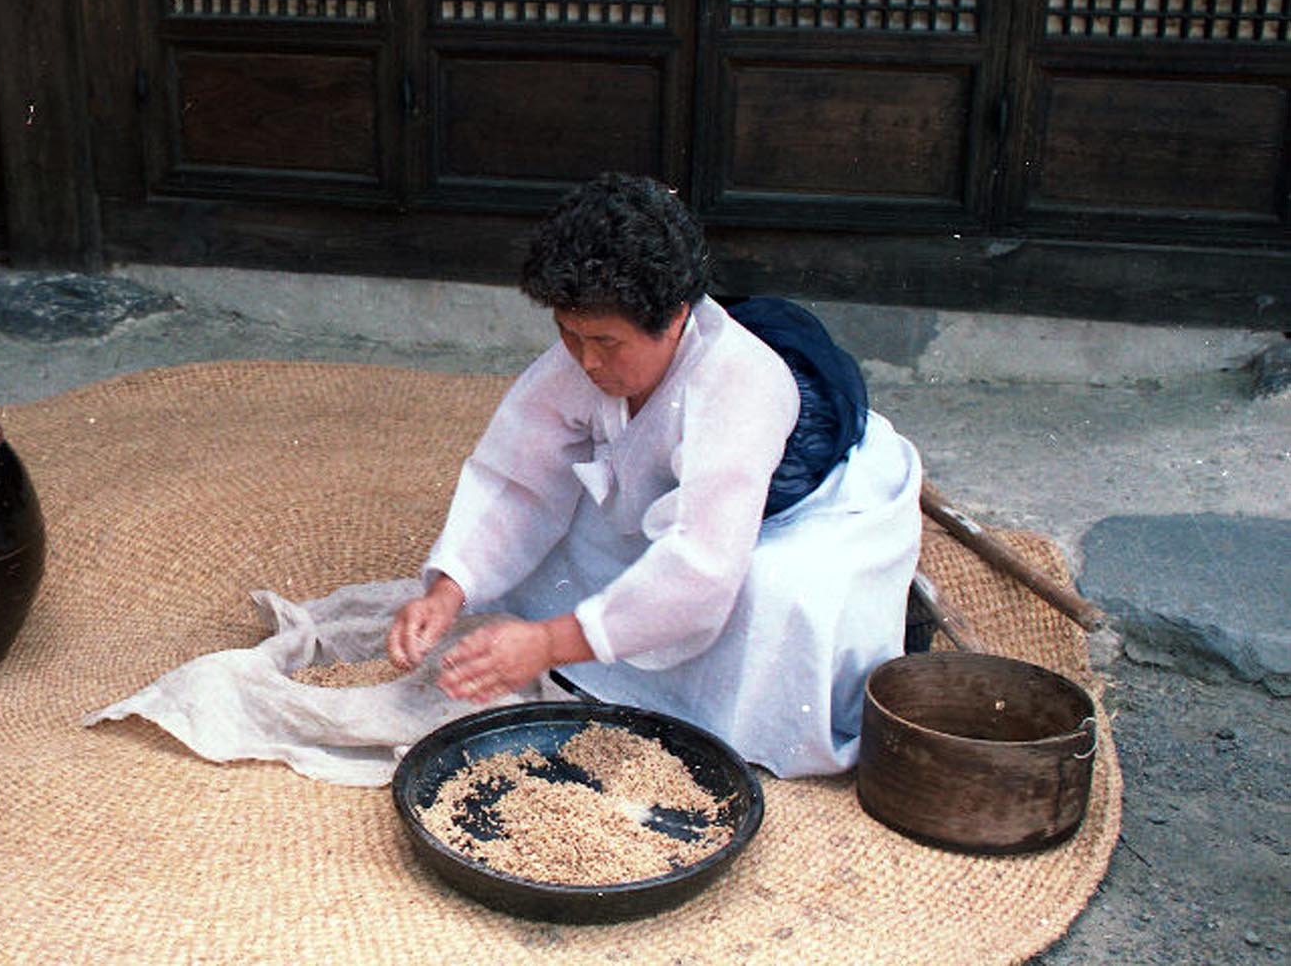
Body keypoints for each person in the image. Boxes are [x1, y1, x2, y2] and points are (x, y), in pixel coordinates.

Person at [386, 173, 922, 777]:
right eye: (568, 333)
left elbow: (702, 567)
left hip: (808, 508)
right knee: (571, 541)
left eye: (606, 342)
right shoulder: (585, 356)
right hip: (683, 493)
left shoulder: (740, 381)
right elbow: (517, 478)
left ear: (673, 321)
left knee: (771, 594)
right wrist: (449, 588)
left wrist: (547, 644)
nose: (586, 359)